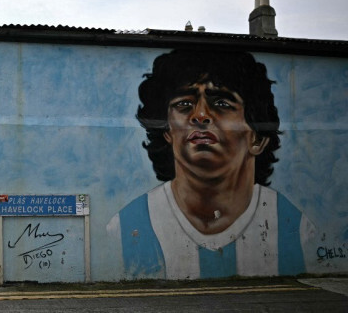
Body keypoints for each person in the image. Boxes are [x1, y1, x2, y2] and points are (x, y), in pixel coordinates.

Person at [107, 49, 314, 280]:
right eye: (184, 103)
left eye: (222, 103)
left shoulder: (299, 231)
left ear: (257, 138)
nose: (201, 115)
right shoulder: (124, 228)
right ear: (167, 133)